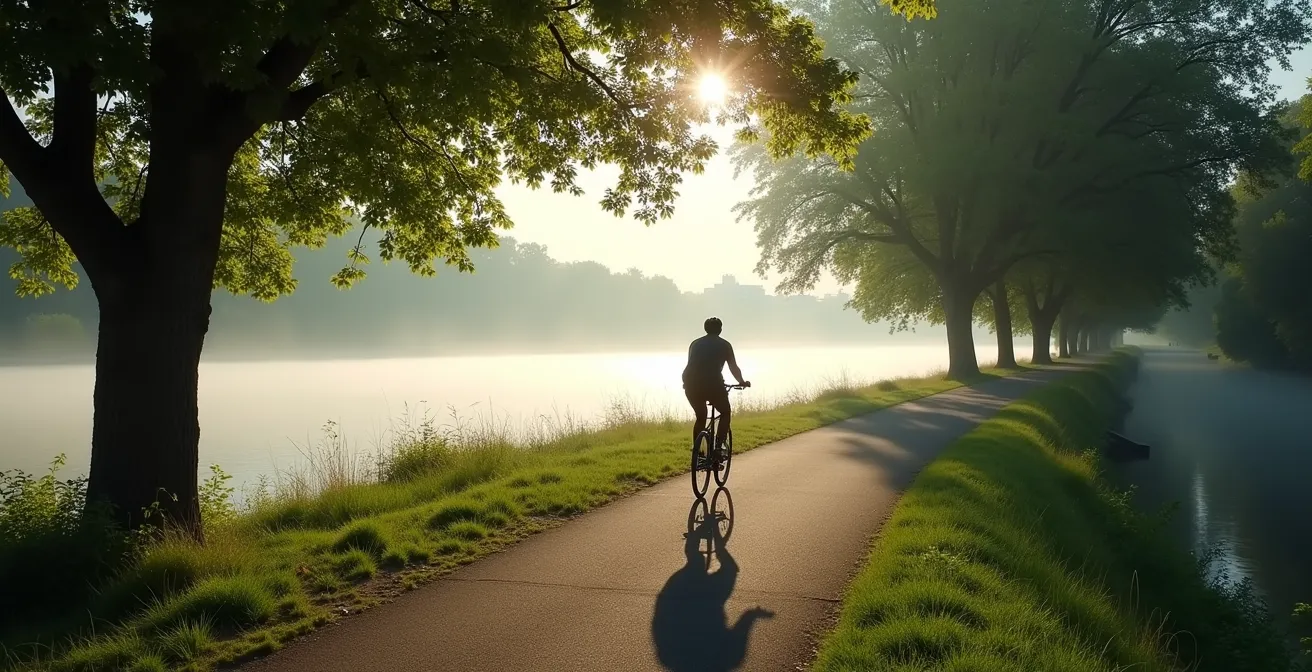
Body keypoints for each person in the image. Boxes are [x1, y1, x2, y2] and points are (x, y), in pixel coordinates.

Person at [682, 317, 749, 459]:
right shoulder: (725, 345)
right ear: (720, 329)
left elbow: (692, 364)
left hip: (691, 383)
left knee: (700, 417)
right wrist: (742, 382)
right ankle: (719, 447)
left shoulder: (694, 344)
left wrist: (687, 382)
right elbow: (733, 367)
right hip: (713, 384)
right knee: (725, 412)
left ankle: (697, 452)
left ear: (705, 328)